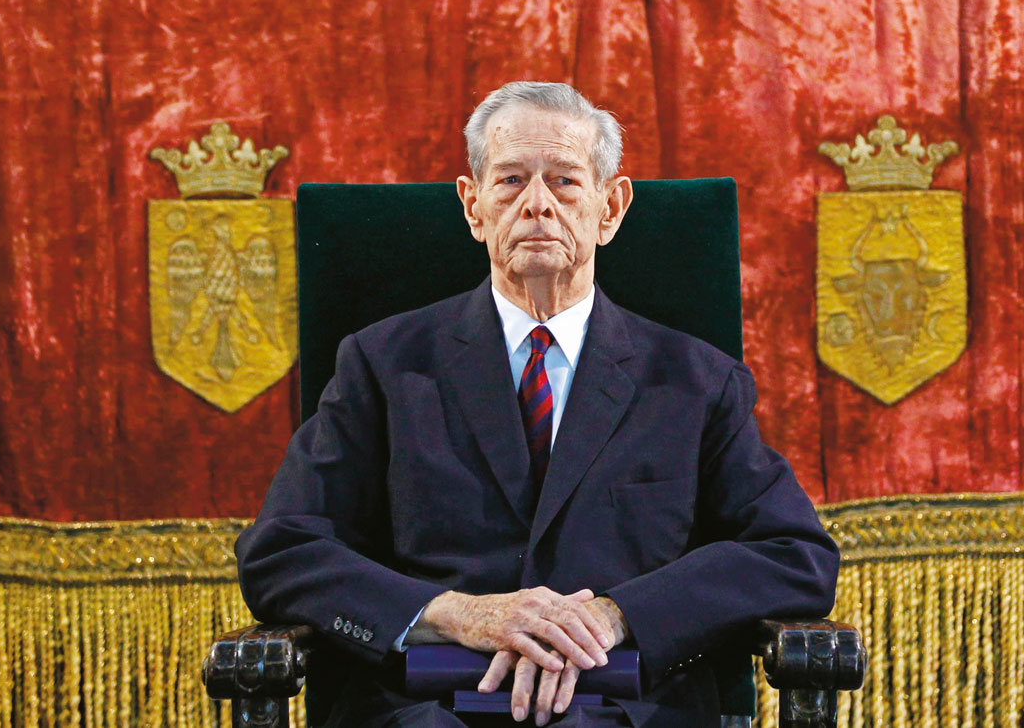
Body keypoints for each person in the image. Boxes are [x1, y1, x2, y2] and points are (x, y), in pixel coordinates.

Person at [236, 82, 839, 728]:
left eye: (564, 182)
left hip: (624, 706)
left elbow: (795, 554)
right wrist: (457, 613)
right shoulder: (383, 365)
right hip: (428, 706)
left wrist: (615, 615)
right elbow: (281, 551)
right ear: (473, 207)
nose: (537, 205)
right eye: (511, 181)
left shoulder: (695, 380)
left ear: (610, 208)